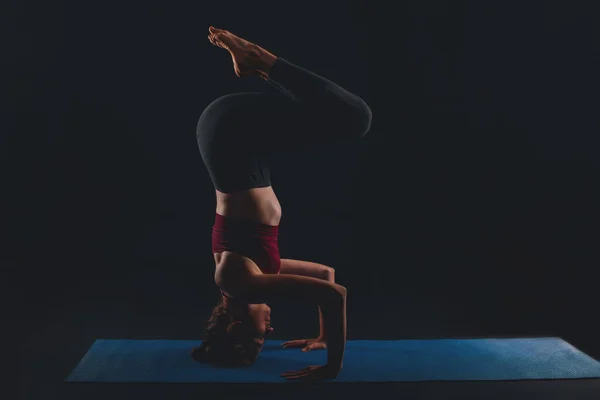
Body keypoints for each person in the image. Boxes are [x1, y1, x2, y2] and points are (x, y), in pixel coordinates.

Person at [191, 26, 372, 382]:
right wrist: (323, 337)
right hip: (232, 140)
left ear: (235, 327)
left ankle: (261, 62)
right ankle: (259, 65)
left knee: (355, 118)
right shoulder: (252, 275)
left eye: (259, 337)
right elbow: (326, 277)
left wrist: (331, 368)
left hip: (230, 137)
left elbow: (335, 296)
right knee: (338, 116)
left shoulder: (239, 281)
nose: (270, 331)